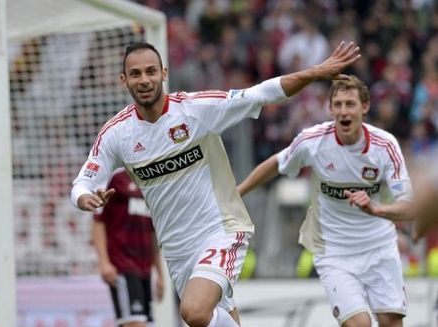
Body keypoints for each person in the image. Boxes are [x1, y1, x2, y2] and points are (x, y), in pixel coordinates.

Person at [71, 40, 360, 327]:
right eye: (135, 74)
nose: (144, 80)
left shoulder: (195, 110)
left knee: (194, 312)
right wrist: (84, 197)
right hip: (176, 248)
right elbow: (85, 179)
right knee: (209, 319)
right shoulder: (116, 133)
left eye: (150, 71)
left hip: (219, 229)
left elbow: (260, 94)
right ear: (124, 80)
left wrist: (314, 72)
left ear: (164, 73)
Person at [237, 75, 414, 327]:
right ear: (330, 109)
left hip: (379, 248)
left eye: (350, 104)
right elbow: (276, 163)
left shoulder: (385, 146)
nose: (344, 111)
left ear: (365, 107)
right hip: (334, 252)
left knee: (390, 322)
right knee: (359, 324)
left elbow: (409, 207)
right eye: (338, 104)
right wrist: (238, 192)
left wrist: (375, 208)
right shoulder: (313, 141)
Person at [92, 168, 164, 327]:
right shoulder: (116, 179)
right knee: (135, 323)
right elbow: (98, 221)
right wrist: (103, 262)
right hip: (123, 265)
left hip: (145, 269)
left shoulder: (152, 183)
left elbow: (153, 234)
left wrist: (160, 274)